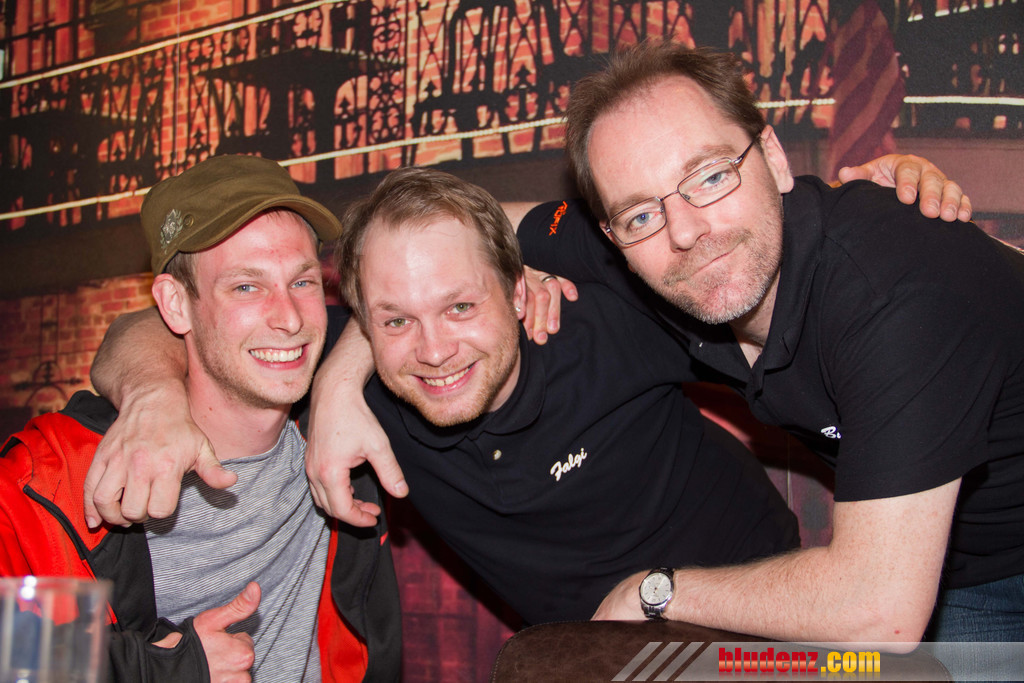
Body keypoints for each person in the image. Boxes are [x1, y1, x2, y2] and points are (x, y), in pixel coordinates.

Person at [86, 153, 967, 627]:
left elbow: (769, 269)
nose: (435, 349)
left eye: (461, 305)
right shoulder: (332, 381)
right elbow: (147, 334)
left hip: (768, 620)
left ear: (516, 290)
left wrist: (870, 206)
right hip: (587, 658)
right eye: (395, 319)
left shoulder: (598, 313)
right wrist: (151, 398)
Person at [518, 40, 1022, 659]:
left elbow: (878, 611)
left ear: (775, 160)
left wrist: (653, 592)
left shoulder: (892, 286)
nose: (686, 232)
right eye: (640, 215)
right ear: (612, 237)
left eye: (710, 176)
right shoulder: (642, 253)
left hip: (908, 585)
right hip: (958, 569)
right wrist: (504, 282)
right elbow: (496, 231)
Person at [0, 155, 400, 681]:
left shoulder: (348, 433)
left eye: (302, 282)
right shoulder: (52, 478)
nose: (289, 318)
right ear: (175, 305)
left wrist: (341, 380)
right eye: (246, 287)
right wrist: (169, 669)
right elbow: (13, 656)